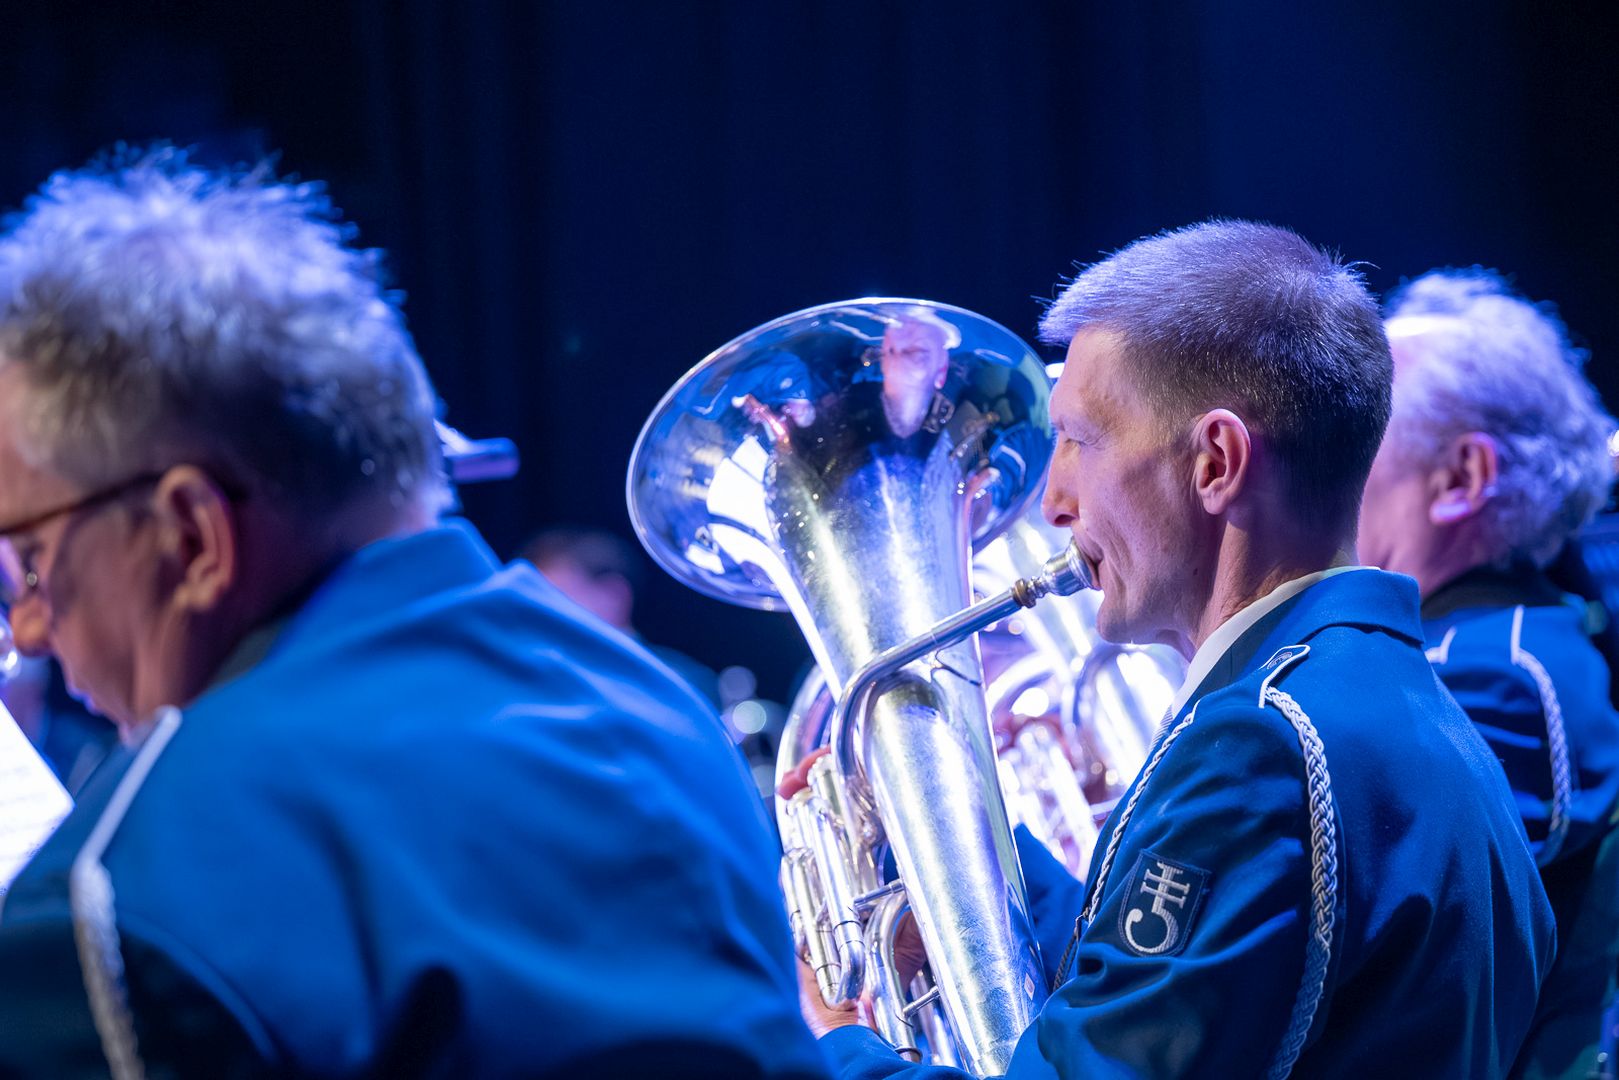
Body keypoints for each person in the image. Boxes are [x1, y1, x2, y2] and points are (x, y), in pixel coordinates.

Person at [0, 149, 828, 1079]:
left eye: (29, 560)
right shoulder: (657, 708)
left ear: (194, 537)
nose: (27, 631)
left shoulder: (114, 903)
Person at [803, 221, 1556, 1077]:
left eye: (1078, 441)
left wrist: (831, 1044)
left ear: (1215, 462)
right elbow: (1198, 985)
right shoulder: (1403, 710)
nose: (1051, 502)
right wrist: (950, 856)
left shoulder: (1258, 748)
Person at [1358, 269, 1619, 1079]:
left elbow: (1305, 938)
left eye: (1355, 428)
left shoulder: (1496, 679)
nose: (1311, 458)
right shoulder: (1489, 648)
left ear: (1459, 479)